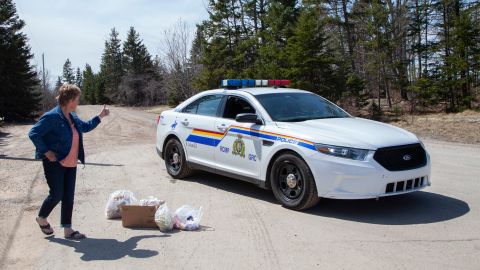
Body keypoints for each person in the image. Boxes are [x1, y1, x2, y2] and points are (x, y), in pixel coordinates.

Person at [28, 84, 110, 239]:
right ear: (70, 100)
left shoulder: (73, 116)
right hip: (55, 162)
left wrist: (100, 116)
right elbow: (33, 133)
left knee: (68, 197)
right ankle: (41, 218)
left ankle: (68, 229)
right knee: (57, 194)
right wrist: (46, 151)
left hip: (71, 163)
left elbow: (85, 127)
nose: (78, 102)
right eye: (77, 99)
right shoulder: (52, 116)